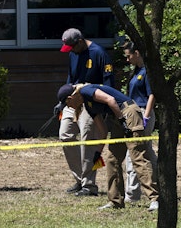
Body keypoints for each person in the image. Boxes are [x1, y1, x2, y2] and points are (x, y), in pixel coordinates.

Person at [57, 82, 159, 211]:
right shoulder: (88, 106)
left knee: (137, 157)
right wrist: (97, 153)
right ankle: (115, 201)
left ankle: (155, 199)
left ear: (70, 98)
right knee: (112, 159)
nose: (69, 107)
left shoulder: (87, 91)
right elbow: (103, 131)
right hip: (117, 118)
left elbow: (110, 100)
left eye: (67, 104)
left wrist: (123, 122)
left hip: (128, 113)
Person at [56, 28, 114, 197]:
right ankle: (80, 178)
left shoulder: (99, 54)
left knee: (88, 141)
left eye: (73, 47)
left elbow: (108, 84)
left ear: (80, 41)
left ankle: (89, 186)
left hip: (91, 102)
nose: (71, 50)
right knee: (65, 135)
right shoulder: (72, 53)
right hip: (73, 99)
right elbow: (70, 78)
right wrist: (62, 101)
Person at [121, 41, 158, 204]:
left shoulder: (147, 72)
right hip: (133, 113)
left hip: (142, 113)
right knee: (147, 153)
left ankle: (132, 193)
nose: (127, 59)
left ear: (137, 53)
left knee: (134, 153)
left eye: (129, 56)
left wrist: (147, 116)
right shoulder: (135, 72)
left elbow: (152, 95)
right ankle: (160, 184)